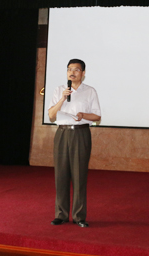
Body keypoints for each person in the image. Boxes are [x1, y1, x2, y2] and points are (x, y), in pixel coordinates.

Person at [48, 59, 101, 228]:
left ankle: (79, 216)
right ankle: (61, 215)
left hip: (80, 133)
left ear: (83, 73)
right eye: (69, 69)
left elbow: (97, 116)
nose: (72, 72)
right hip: (62, 133)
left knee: (79, 176)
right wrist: (62, 99)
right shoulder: (59, 90)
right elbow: (51, 116)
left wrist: (83, 115)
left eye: (76, 69)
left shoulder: (90, 91)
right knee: (61, 175)